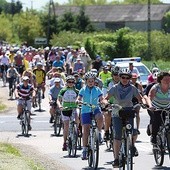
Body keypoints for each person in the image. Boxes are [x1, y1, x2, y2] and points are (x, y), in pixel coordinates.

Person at [104, 69, 145, 167]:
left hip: (129, 111)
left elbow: (140, 98)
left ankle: (132, 145)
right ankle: (116, 159)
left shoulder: (132, 88)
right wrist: (106, 104)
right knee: (117, 136)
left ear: (130, 79)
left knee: (133, 132)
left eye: (127, 78)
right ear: (119, 77)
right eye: (123, 77)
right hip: (117, 113)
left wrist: (143, 103)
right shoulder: (114, 88)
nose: (125, 79)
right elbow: (106, 98)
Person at [76, 71, 105, 160]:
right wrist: (78, 101)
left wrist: (103, 102)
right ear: (86, 81)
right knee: (86, 129)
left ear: (94, 81)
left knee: (100, 117)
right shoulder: (83, 90)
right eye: (89, 81)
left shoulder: (97, 89)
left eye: (92, 81)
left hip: (95, 108)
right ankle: (84, 149)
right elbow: (79, 98)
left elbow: (102, 98)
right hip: (85, 110)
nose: (91, 82)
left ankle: (99, 133)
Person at [145, 71, 170, 145]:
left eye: (169, 79)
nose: (167, 81)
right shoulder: (156, 87)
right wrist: (150, 106)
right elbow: (149, 97)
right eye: (165, 79)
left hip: (167, 107)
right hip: (156, 107)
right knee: (157, 121)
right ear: (160, 80)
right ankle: (154, 136)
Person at [57, 75, 79, 151]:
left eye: (72, 82)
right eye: (69, 82)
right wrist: (60, 105)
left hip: (73, 108)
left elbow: (80, 98)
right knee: (66, 125)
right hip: (65, 109)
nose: (71, 83)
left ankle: (77, 131)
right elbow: (58, 100)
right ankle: (64, 142)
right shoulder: (63, 90)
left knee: (77, 118)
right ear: (66, 82)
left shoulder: (76, 91)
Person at [102, 66, 120, 141]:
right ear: (112, 75)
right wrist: (105, 102)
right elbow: (104, 92)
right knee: (107, 114)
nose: (116, 76)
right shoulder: (108, 81)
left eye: (118, 75)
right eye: (115, 75)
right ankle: (106, 132)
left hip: (120, 103)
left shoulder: (123, 81)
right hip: (110, 102)